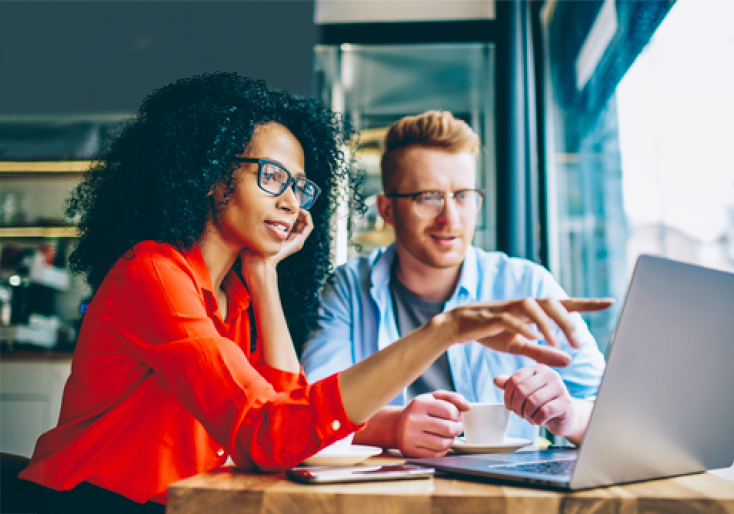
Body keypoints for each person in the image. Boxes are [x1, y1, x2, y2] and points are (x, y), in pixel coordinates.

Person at [18, 76, 609, 512]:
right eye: (271, 177)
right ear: (213, 177)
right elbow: (267, 434)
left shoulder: (237, 295)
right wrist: (444, 331)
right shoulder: (153, 274)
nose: (293, 203)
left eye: (300, 186)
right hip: (91, 501)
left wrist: (266, 276)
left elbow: (285, 420)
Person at [301, 110, 609, 458]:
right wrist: (392, 426)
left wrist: (569, 415)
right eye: (428, 197)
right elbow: (308, 413)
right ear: (387, 209)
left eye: (463, 195)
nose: (451, 218)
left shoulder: (527, 284)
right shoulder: (349, 288)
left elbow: (613, 412)